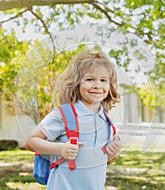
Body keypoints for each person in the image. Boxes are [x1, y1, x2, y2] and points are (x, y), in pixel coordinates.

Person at [23, 51, 122, 190]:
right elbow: (30, 141)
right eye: (89, 79)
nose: (97, 85)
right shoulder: (64, 114)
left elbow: (105, 161)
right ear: (76, 83)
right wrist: (60, 149)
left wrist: (113, 154)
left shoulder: (107, 120)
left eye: (103, 80)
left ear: (110, 85)